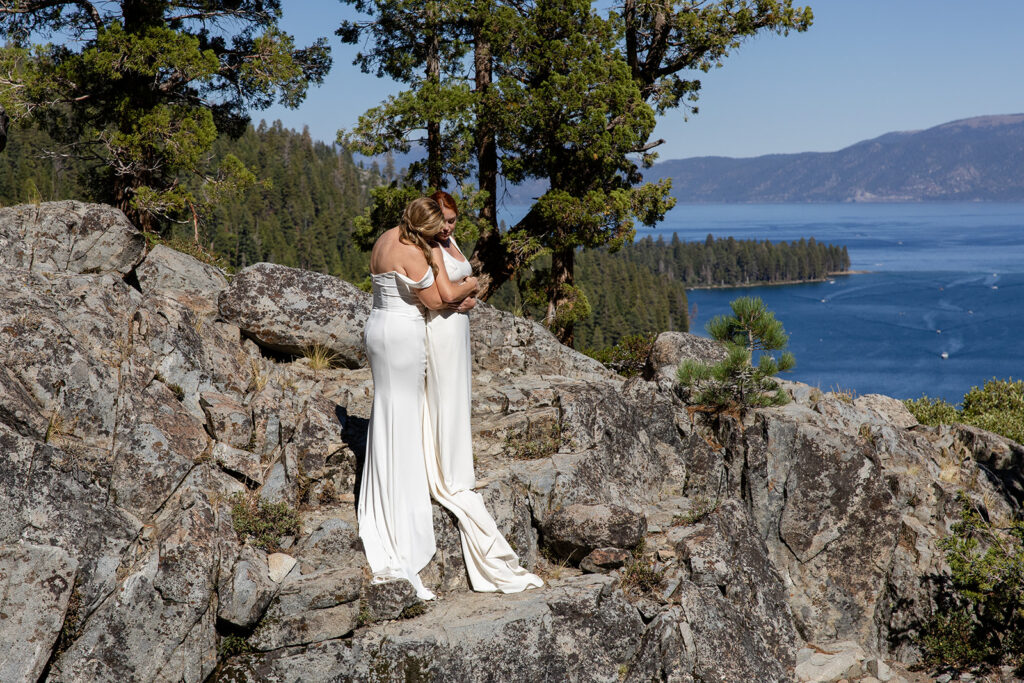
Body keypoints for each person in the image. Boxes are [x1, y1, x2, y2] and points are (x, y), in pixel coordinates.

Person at [423, 190, 544, 593]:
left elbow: (464, 288)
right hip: (441, 329)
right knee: (443, 396)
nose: (449, 227)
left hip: (458, 329)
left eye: (454, 221)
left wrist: (469, 290)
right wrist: (469, 287)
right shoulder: (430, 246)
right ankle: (444, 466)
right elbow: (442, 296)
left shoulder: (450, 243)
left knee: (458, 398)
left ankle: (457, 460)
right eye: (443, 220)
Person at [358, 197, 476, 601]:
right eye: (434, 231)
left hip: (377, 329)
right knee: (404, 417)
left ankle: (382, 490)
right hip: (404, 336)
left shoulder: (384, 240)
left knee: (387, 412)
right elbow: (438, 301)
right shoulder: (412, 252)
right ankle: (400, 510)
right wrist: (471, 287)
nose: (438, 238)